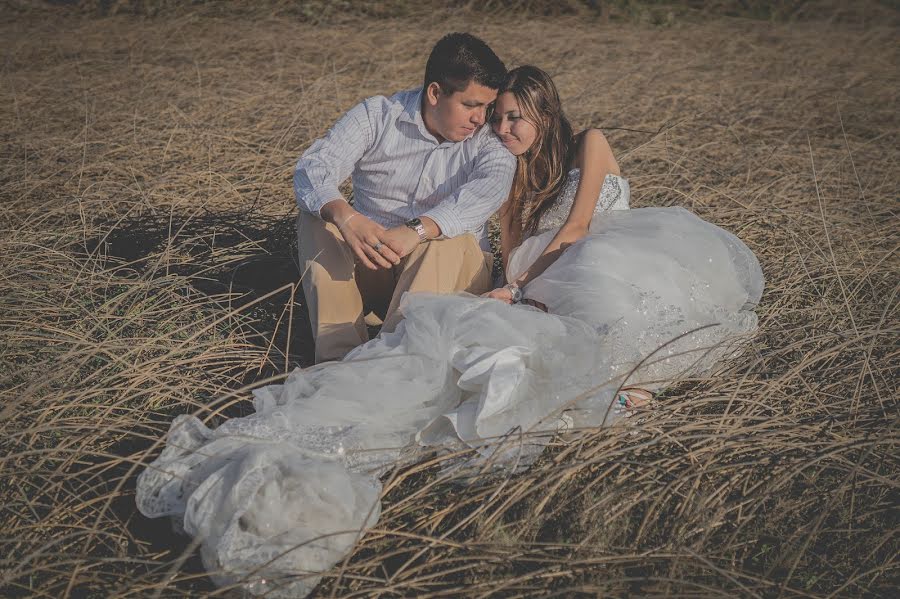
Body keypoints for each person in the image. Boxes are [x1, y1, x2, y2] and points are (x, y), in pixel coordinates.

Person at [135, 66, 764, 598]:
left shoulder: (588, 143)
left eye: (515, 116)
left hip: (613, 262)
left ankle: (608, 387)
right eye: (496, 118)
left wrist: (517, 289)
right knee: (467, 349)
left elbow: (575, 232)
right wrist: (515, 288)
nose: (503, 129)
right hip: (547, 287)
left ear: (544, 113)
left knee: (572, 301)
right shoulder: (510, 176)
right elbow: (516, 253)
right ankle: (343, 420)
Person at [294, 32, 516, 363]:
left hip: (450, 274)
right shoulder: (377, 116)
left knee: (449, 238)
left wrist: (418, 230)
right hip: (374, 263)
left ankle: (392, 364)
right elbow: (314, 166)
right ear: (435, 93)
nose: (480, 119)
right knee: (317, 219)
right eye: (470, 105)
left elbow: (488, 190)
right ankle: (337, 362)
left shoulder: (488, 139)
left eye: (487, 107)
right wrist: (346, 216)